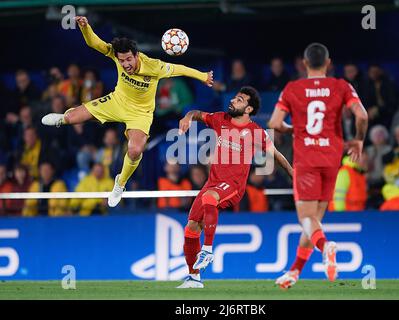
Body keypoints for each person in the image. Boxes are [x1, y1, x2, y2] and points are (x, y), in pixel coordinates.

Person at [41, 16, 213, 208]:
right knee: (70, 118)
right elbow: (94, 43)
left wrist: (203, 76)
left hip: (140, 114)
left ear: (136, 55)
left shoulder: (154, 66)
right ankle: (63, 119)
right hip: (116, 102)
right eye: (122, 61)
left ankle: (119, 184)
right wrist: (85, 27)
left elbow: (179, 68)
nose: (125, 65)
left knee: (135, 149)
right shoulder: (117, 56)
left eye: (129, 59)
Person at [268, 43, 368, 289]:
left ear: (304, 63)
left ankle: (326, 247)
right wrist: (358, 140)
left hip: (307, 160)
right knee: (314, 220)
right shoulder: (341, 86)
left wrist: (294, 129)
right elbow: (362, 115)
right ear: (328, 63)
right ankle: (294, 272)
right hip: (332, 159)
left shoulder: (293, 88)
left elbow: (274, 122)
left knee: (306, 219)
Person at [176, 86, 292, 288]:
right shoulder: (220, 119)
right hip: (212, 183)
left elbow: (277, 155)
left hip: (234, 186)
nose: (233, 101)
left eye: (239, 100)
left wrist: (292, 173)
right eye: (235, 97)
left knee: (210, 197)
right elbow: (196, 114)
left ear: (248, 109)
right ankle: (194, 278)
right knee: (191, 227)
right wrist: (187, 117)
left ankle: (208, 250)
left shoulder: (256, 132)